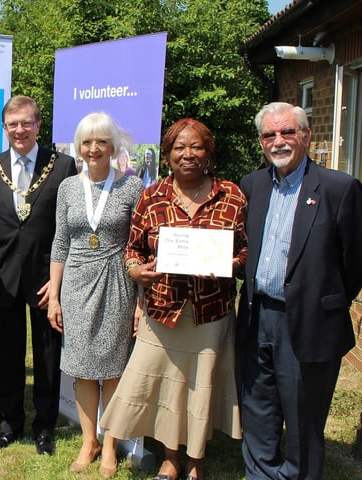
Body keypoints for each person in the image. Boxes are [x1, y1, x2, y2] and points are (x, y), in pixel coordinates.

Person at [100, 118, 245, 480]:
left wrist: (230, 264)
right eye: (179, 148)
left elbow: (245, 252)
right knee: (163, 384)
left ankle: (196, 460)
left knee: (200, 386)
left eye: (196, 147)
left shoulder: (232, 195)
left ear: (208, 153)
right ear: (167, 156)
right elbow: (132, 249)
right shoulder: (151, 197)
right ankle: (170, 457)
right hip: (162, 311)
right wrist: (135, 271)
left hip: (210, 312)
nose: (188, 154)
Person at [237, 102, 362, 480]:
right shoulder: (251, 185)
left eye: (288, 132)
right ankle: (261, 472)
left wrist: (323, 300)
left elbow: (354, 262)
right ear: (261, 141)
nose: (279, 141)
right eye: (269, 135)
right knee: (257, 404)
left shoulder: (340, 188)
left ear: (306, 135)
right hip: (258, 314)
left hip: (309, 320)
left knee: (304, 413)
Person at [0, 95, 77, 456]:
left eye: (26, 123)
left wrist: (62, 279)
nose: (19, 130)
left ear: (38, 125)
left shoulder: (64, 166)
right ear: (4, 129)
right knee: (9, 354)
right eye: (12, 124)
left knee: (48, 356)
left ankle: (45, 427)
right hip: (4, 277)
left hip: (47, 276)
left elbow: (71, 226)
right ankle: (10, 424)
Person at [47, 113, 143, 477]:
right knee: (83, 370)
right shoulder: (69, 188)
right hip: (75, 285)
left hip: (117, 283)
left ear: (113, 146)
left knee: (113, 370)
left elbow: (140, 245)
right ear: (79, 147)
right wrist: (54, 296)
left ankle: (111, 445)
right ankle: (89, 441)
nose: (94, 148)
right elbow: (60, 243)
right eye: (87, 142)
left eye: (101, 141)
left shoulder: (131, 187)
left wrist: (142, 301)